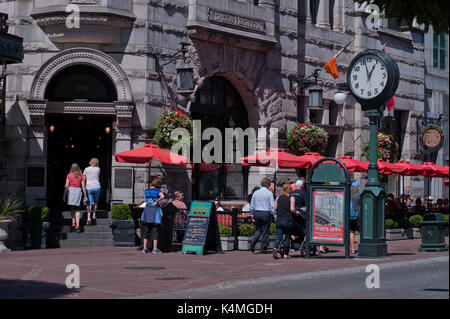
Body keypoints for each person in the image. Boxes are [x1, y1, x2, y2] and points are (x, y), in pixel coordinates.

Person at [250, 178, 276, 254]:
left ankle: (253, 241)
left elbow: (252, 205)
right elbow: (272, 206)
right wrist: (274, 214)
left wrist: (252, 214)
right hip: (265, 213)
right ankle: (263, 248)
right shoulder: (269, 193)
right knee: (265, 231)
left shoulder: (256, 193)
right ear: (267, 184)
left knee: (258, 229)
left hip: (257, 212)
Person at [141, 176, 165, 254]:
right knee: (155, 230)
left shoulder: (146, 191)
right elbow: (162, 196)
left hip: (147, 210)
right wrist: (157, 201)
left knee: (146, 230)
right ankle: (155, 249)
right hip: (155, 210)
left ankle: (144, 248)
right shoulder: (158, 190)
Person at [63, 163, 87, 233]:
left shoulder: (69, 175)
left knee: (72, 208)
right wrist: (85, 195)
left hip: (70, 192)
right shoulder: (81, 176)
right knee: (77, 209)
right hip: (78, 192)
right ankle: (77, 225)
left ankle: (73, 221)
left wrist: (64, 195)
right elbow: (83, 186)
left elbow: (66, 186)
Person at [273, 184, 296, 259]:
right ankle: (285, 254)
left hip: (279, 220)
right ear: (289, 190)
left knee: (279, 237)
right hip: (288, 220)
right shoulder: (291, 198)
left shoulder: (278, 197)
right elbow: (292, 209)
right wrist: (296, 212)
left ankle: (275, 248)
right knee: (287, 237)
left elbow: (275, 208)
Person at [83, 158, 101, 226]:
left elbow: (84, 179)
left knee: (89, 203)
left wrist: (83, 187)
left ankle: (89, 218)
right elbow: (97, 176)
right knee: (95, 202)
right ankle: (94, 214)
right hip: (97, 186)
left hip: (89, 187)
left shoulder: (86, 169)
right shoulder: (98, 169)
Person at [349, 182, 361, 254]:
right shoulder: (360, 196)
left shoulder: (350, 196)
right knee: (361, 232)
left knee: (351, 232)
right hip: (358, 216)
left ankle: (353, 249)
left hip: (350, 216)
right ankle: (360, 247)